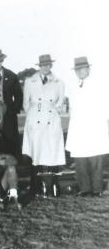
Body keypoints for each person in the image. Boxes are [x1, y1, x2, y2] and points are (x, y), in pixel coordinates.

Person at [22, 55, 66, 197]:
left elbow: (60, 103)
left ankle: (53, 185)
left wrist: (51, 111)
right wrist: (33, 116)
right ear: (39, 66)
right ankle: (36, 186)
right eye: (43, 65)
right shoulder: (30, 81)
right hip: (35, 119)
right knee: (36, 153)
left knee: (52, 152)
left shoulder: (59, 82)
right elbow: (26, 103)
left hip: (51, 119)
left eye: (48, 65)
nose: (45, 67)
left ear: (51, 66)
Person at [65, 57, 109, 197]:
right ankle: (85, 189)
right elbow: (71, 108)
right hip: (78, 127)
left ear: (88, 69)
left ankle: (97, 189)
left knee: (95, 158)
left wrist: (101, 123)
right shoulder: (73, 86)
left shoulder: (98, 84)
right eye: (77, 69)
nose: (79, 71)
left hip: (94, 126)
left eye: (82, 68)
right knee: (80, 158)